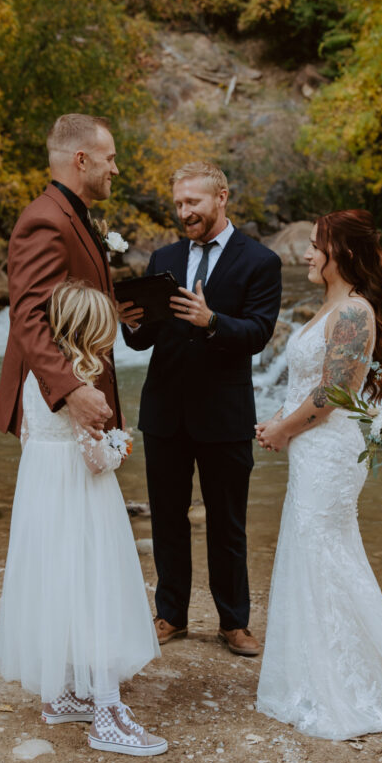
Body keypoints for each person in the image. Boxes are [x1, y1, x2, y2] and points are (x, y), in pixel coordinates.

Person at [256, 209, 382, 739]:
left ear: (341, 253)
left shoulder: (353, 312)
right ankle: (311, 676)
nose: (305, 253)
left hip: (328, 449)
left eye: (314, 245)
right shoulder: (331, 305)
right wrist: (280, 422)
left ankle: (346, 687)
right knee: (315, 554)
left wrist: (284, 429)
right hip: (313, 446)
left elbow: (334, 393)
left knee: (326, 555)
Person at [0, 281, 165, 756]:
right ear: (93, 333)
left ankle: (64, 694)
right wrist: (121, 443)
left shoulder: (36, 377)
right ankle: (107, 714)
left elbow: (27, 434)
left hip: (42, 490)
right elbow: (97, 459)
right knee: (96, 589)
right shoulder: (80, 388)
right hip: (81, 494)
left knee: (60, 585)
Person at [122, 162, 281, 656]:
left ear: (221, 197)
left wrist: (213, 321)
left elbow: (258, 333)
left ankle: (234, 622)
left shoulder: (260, 261)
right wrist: (131, 323)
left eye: (193, 202)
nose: (184, 212)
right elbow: (143, 339)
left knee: (227, 524)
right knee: (168, 519)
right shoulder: (164, 257)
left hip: (225, 414)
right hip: (165, 410)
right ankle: (171, 615)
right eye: (178, 204)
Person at [0, 113, 121, 443]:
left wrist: (117, 309)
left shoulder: (73, 214)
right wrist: (72, 390)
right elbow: (28, 317)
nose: (115, 169)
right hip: (59, 402)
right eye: (109, 159)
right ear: (81, 160)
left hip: (83, 379)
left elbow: (69, 300)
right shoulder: (45, 220)